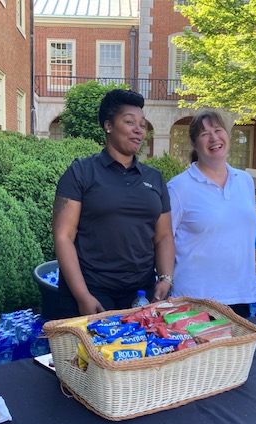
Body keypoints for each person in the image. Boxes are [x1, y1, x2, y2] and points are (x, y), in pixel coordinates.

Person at [52, 89, 175, 318]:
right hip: (92, 291)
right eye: (129, 122)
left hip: (140, 294)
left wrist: (166, 278)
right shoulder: (81, 172)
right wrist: (82, 296)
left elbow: (164, 236)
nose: (139, 130)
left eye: (142, 124)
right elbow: (63, 236)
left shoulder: (154, 178)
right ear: (108, 126)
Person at [167, 111, 256, 318]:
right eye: (204, 134)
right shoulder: (179, 188)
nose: (214, 138)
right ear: (194, 144)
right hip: (195, 300)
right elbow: (164, 240)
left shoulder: (245, 181)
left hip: (239, 295)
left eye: (218, 130)